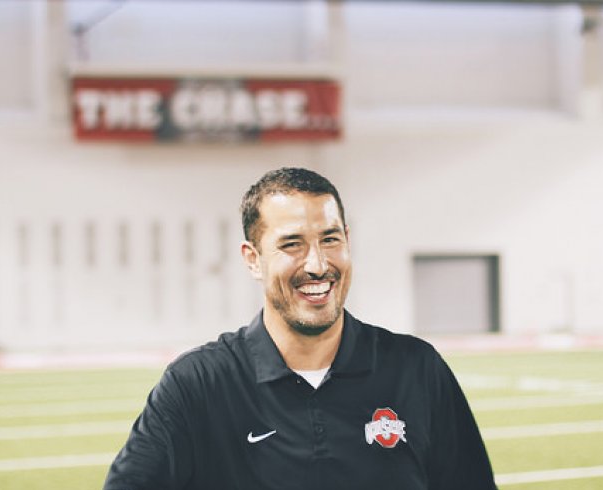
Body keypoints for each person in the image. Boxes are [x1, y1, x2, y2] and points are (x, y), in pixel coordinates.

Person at [103, 167, 496, 490]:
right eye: (292, 244)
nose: (317, 265)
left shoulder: (417, 368)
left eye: (330, 239)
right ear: (253, 259)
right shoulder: (199, 384)